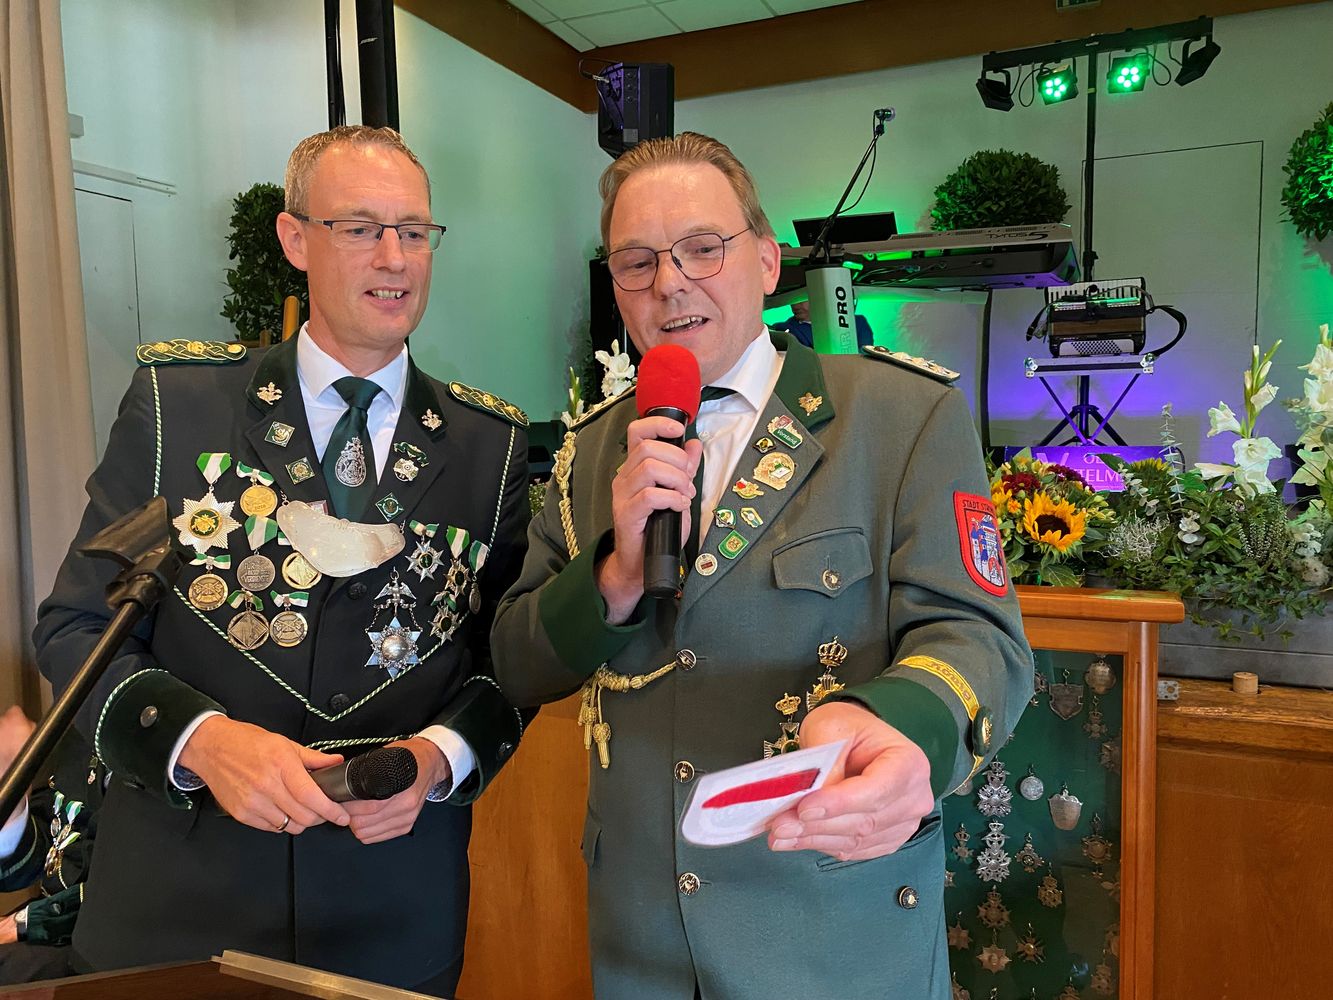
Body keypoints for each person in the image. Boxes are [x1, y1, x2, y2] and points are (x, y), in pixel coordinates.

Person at [491, 132, 1032, 1000]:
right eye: (636, 262)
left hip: (830, 925)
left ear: (768, 261)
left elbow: (978, 638)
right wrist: (617, 573)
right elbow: (519, 664)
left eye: (702, 248)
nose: (670, 283)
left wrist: (903, 728)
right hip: (639, 936)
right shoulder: (588, 451)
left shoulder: (899, 416)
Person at [33, 125, 530, 995]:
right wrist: (202, 742)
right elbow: (76, 628)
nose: (394, 257)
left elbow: (508, 664)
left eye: (415, 231)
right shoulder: (179, 407)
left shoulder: (489, 448)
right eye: (360, 227)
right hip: (180, 893)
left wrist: (437, 759)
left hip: (391, 905)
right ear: (295, 239)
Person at [0, 707, 103, 985]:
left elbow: (142, 881)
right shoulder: (79, 724)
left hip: (110, 940)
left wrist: (28, 922)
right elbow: (48, 852)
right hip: (52, 927)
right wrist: (11, 808)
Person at [771, 295, 875, 351]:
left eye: (801, 300)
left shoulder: (858, 323)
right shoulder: (782, 330)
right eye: (792, 301)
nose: (795, 306)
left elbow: (865, 356)